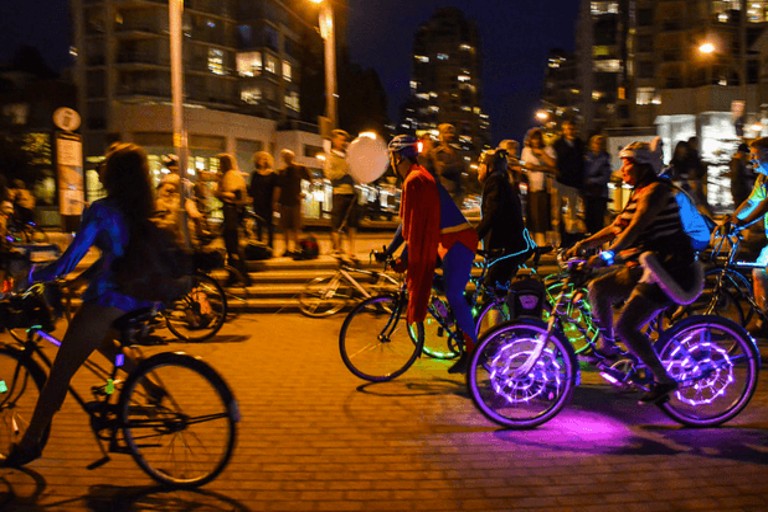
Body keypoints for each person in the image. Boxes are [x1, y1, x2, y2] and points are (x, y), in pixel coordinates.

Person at [0, 143, 158, 468]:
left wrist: (29, 277)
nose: (101, 168)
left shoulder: (102, 209)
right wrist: (78, 284)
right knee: (104, 342)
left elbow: (66, 261)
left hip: (111, 299)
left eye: (106, 164)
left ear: (114, 174)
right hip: (141, 295)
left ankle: (31, 442)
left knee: (60, 373)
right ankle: (152, 385)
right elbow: (116, 256)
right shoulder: (139, 207)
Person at [566, 141, 703, 404]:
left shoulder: (656, 191)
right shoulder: (639, 191)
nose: (623, 168)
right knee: (599, 289)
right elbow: (617, 226)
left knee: (627, 327)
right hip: (644, 267)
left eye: (628, 163)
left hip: (668, 271)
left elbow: (636, 228)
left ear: (644, 167)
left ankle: (663, 380)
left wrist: (607, 255)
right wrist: (582, 244)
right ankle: (608, 349)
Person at [385, 135, 478, 374]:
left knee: (454, 294)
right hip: (444, 241)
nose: (392, 163)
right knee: (430, 280)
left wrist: (404, 256)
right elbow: (407, 223)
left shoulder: (416, 179)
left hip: (457, 240)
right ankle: (452, 318)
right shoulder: (416, 177)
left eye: (392, 158)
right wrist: (390, 250)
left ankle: (472, 351)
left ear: (397, 157)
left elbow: (416, 230)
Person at [720, 137, 768, 335]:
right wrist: (732, 220)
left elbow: (765, 205)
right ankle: (763, 320)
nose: (752, 161)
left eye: (756, 156)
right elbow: (750, 202)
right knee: (759, 273)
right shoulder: (763, 179)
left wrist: (742, 223)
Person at [475, 148, 535, 290]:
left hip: (509, 248)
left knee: (493, 288)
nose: (478, 169)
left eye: (481, 165)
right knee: (494, 289)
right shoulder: (501, 182)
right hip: (510, 247)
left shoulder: (495, 183)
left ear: (490, 167)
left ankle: (505, 311)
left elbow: (492, 214)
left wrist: (472, 236)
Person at [215, 153, 251, 286]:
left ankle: (240, 276)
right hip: (231, 215)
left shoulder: (232, 176)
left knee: (233, 247)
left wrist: (219, 193)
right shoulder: (230, 176)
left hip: (232, 215)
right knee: (232, 248)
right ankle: (235, 275)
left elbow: (236, 195)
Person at [323, 129, 359, 258]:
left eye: (344, 140)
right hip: (339, 193)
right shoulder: (330, 158)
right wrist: (344, 172)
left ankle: (351, 250)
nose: (343, 142)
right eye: (340, 139)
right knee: (337, 222)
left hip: (352, 193)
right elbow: (329, 174)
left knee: (352, 223)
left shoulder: (349, 157)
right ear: (334, 140)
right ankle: (338, 248)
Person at [520, 127, 557, 247]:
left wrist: (540, 158)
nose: (535, 141)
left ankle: (545, 242)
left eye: (537, 138)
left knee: (545, 214)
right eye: (533, 139)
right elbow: (524, 166)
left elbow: (553, 166)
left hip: (546, 186)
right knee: (533, 214)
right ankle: (535, 242)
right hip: (532, 186)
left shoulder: (547, 149)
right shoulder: (526, 150)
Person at [552, 120, 586, 247]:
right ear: (564, 130)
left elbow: (582, 163)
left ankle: (571, 239)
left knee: (573, 213)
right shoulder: (557, 144)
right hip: (560, 182)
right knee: (556, 213)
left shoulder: (579, 144)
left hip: (574, 183)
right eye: (568, 129)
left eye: (573, 129)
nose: (571, 131)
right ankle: (557, 240)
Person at [275, 149, 312, 257]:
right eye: (285, 157)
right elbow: (279, 188)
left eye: (289, 156)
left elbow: (311, 181)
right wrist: (276, 201)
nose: (287, 159)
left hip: (295, 202)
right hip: (284, 202)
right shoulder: (282, 172)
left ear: (292, 157)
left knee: (296, 227)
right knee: (285, 227)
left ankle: (296, 247)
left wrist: (305, 193)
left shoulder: (300, 169)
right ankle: (287, 248)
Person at [425, 123, 467, 207]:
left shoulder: (457, 152)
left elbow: (463, 166)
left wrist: (447, 167)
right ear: (441, 135)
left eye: (451, 133)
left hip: (457, 194)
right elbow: (441, 170)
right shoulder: (435, 153)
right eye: (446, 133)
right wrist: (454, 167)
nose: (450, 135)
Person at [583, 134, 613, 235]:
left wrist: (591, 180)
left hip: (600, 194)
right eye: (596, 143)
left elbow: (605, 176)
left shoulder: (604, 158)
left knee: (598, 220)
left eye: (600, 143)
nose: (598, 145)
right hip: (588, 193)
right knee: (588, 219)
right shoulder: (587, 157)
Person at [249, 151, 278, 250]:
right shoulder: (255, 174)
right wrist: (250, 199)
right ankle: (259, 242)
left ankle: (270, 244)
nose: (263, 160)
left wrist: (275, 202)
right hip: (258, 201)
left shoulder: (273, 174)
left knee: (269, 223)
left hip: (268, 201)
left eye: (265, 158)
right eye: (261, 158)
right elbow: (252, 188)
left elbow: (276, 189)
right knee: (258, 223)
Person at [728, 143, 752, 208]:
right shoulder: (736, 163)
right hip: (740, 191)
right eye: (745, 154)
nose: (746, 156)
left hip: (740, 190)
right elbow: (738, 176)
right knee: (741, 208)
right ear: (741, 152)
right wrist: (750, 177)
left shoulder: (737, 162)